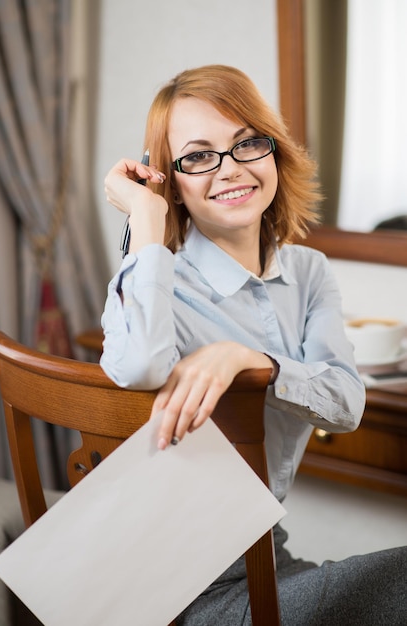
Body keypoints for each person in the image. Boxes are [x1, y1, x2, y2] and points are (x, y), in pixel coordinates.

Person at [100, 65, 406, 625]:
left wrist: (255, 361)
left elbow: (347, 405)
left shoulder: (309, 271)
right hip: (168, 589)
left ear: (275, 151)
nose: (231, 169)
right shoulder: (156, 280)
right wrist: (146, 214)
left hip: (262, 553)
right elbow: (139, 364)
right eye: (197, 156)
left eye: (247, 144)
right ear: (168, 177)